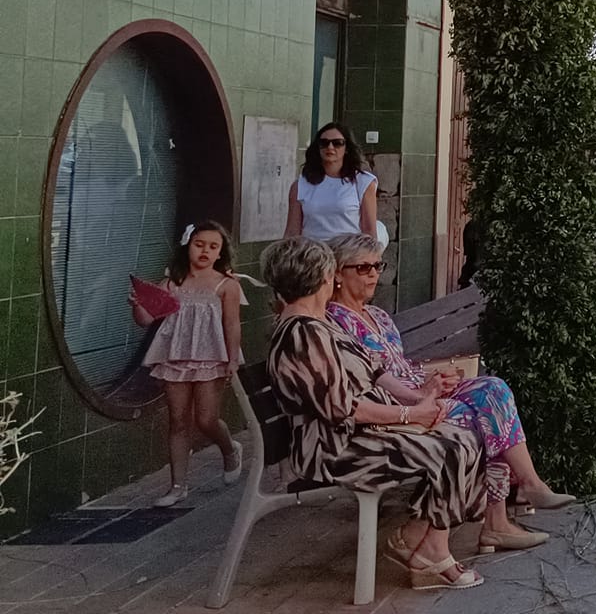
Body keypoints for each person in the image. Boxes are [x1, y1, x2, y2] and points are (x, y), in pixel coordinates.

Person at [259, 237, 489, 590]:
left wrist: (419, 399)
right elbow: (340, 408)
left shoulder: (318, 324)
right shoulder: (302, 333)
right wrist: (409, 416)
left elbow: (374, 370)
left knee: (465, 437)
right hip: (332, 449)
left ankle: (422, 540)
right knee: (454, 447)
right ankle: (428, 549)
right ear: (322, 277)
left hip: (358, 436)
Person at [325, 234, 573, 550]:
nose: (374, 274)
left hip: (420, 390)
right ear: (338, 273)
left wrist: (436, 379)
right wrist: (422, 392)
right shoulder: (335, 323)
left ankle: (528, 484)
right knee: (477, 417)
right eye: (363, 268)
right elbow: (369, 381)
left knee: (493, 389)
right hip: (394, 408)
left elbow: (402, 366)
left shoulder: (378, 316)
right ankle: (495, 520)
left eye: (378, 266)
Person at [130, 220, 243, 507]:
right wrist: (138, 305)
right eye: (199, 244)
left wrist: (232, 359)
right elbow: (146, 320)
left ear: (220, 252)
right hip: (176, 357)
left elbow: (232, 324)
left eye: (213, 247)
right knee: (178, 420)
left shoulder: (226, 285)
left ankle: (230, 449)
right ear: (187, 246)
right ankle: (177, 486)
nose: (205, 251)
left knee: (206, 419)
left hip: (212, 358)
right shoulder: (172, 283)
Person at [284, 122, 377, 243]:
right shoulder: (300, 186)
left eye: (337, 143)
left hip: (349, 251)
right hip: (312, 252)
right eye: (324, 143)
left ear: (347, 148)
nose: (330, 147)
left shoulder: (363, 182)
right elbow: (292, 232)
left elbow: (369, 231)